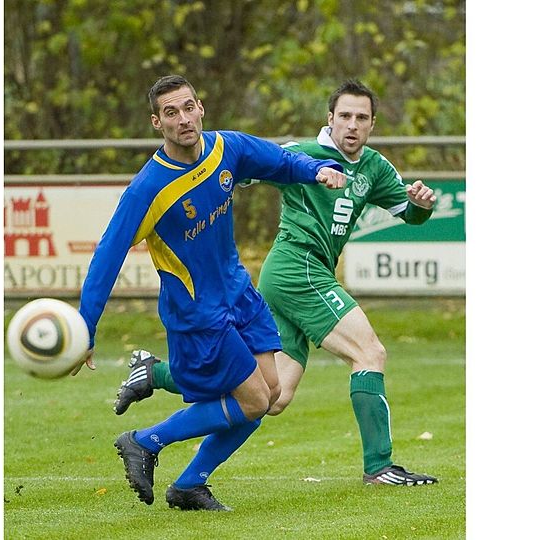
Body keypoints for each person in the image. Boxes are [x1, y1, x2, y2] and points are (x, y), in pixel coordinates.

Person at [112, 79, 439, 487]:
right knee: (369, 352)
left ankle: (158, 382)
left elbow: (409, 213)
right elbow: (242, 167)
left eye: (361, 118)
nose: (352, 125)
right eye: (345, 116)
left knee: (273, 396)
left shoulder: (374, 167)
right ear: (330, 119)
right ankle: (380, 466)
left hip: (303, 277)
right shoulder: (303, 153)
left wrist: (422, 207)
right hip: (297, 269)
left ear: (372, 124)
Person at [73, 74, 348, 511]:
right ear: (157, 123)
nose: (183, 119)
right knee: (252, 401)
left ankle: (188, 483)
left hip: (239, 293)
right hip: (198, 312)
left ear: (200, 108)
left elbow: (279, 161)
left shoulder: (226, 148)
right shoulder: (148, 188)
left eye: (188, 107)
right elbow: (108, 256)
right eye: (171, 113)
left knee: (271, 395)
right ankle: (144, 441)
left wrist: (317, 170)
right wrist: (85, 326)